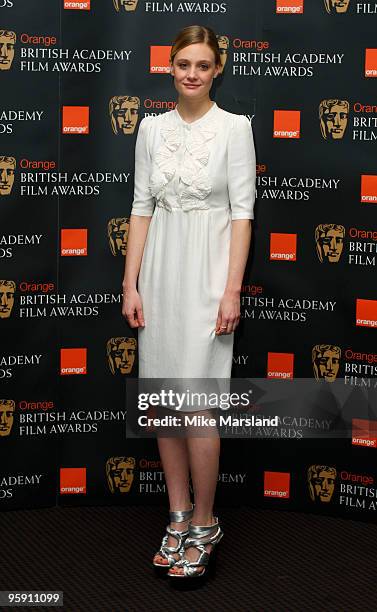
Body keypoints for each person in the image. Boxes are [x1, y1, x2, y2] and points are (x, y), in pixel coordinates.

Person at [122, 24, 256, 580]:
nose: (192, 74)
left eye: (202, 65)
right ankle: (177, 517)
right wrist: (130, 284)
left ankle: (205, 522)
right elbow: (140, 208)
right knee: (161, 400)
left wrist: (230, 290)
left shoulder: (235, 129)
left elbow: (243, 214)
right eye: (183, 65)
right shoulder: (151, 129)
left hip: (207, 277)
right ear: (170, 67)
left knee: (198, 406)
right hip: (160, 276)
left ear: (217, 68)